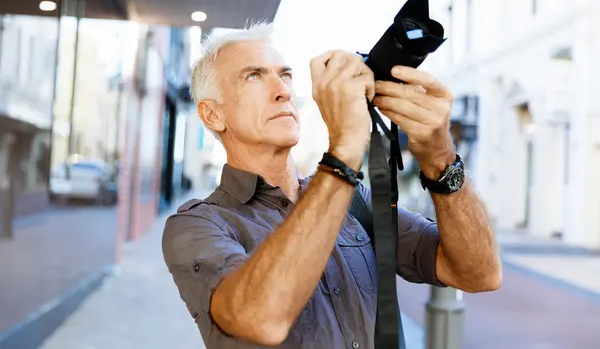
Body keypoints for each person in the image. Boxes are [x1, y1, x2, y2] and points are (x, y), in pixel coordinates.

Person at [162, 22, 502, 349]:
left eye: (285, 75)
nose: (283, 91)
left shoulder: (356, 204)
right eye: (253, 76)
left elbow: (480, 274)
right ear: (212, 115)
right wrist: (344, 149)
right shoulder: (198, 226)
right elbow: (259, 318)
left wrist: (441, 160)